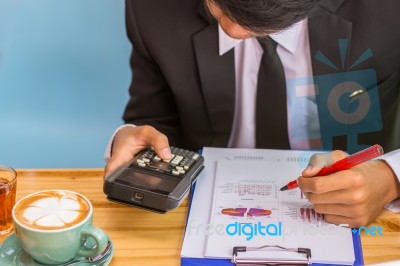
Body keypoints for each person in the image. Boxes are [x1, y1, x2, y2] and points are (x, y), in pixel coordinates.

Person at [105, 0, 400, 227]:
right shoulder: (152, 8)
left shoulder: (387, 11)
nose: (233, 30)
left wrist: (390, 179)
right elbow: (154, 117)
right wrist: (134, 138)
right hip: (199, 214)